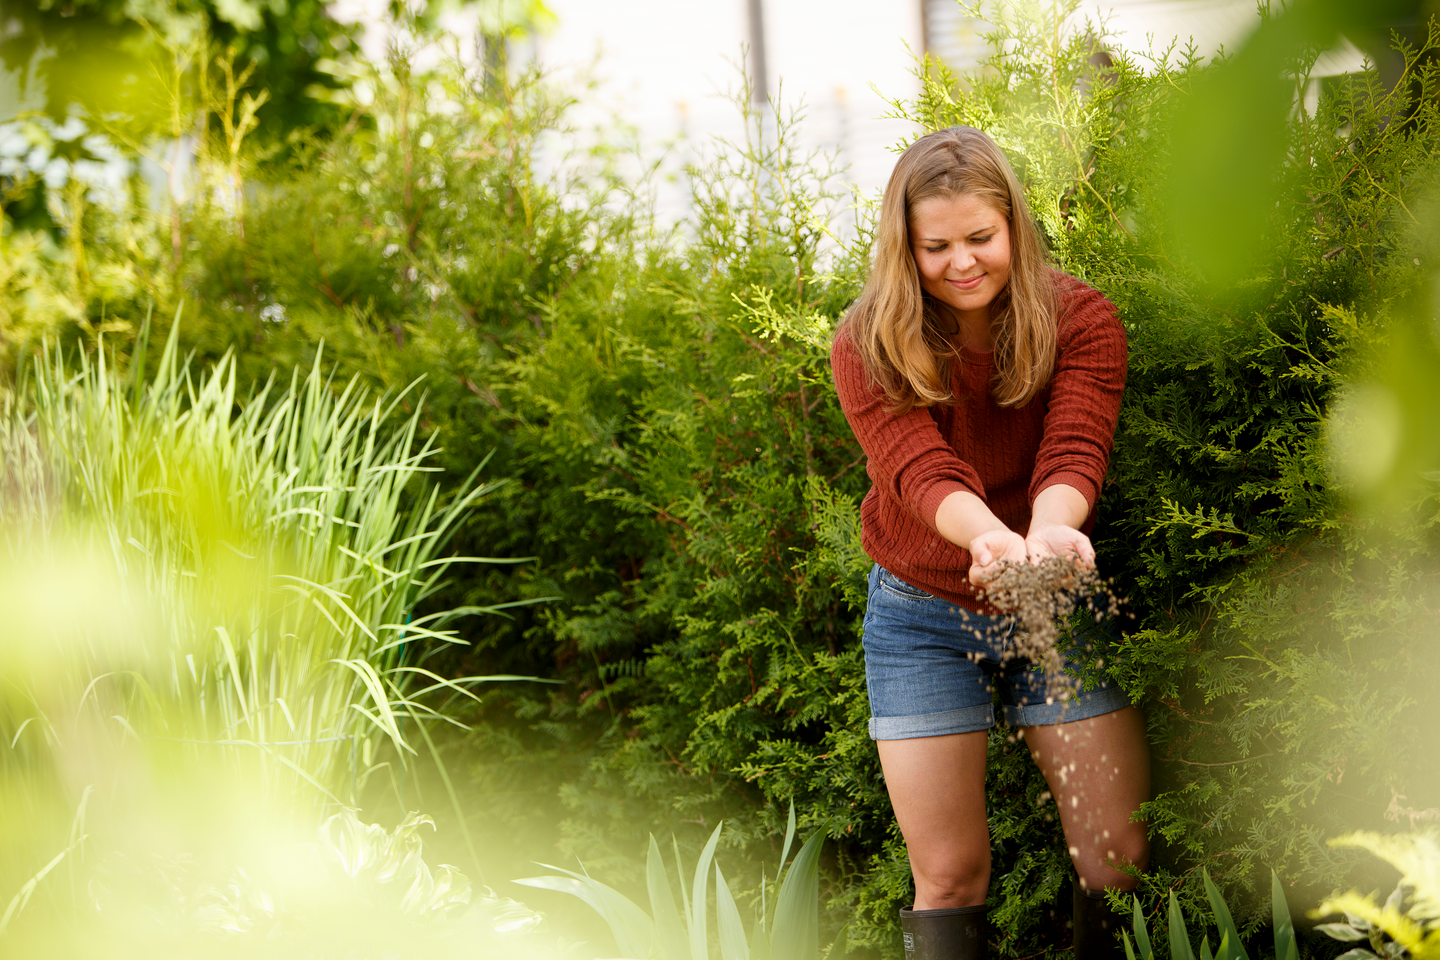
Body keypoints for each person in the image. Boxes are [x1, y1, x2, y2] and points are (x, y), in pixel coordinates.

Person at [829, 126, 1148, 960]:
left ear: (1014, 227)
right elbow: (917, 469)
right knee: (949, 876)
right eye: (936, 246)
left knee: (1118, 852)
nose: (962, 262)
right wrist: (990, 539)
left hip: (1049, 593)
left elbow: (1076, 444)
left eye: (981, 238)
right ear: (906, 245)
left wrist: (1045, 534)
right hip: (922, 617)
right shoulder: (867, 341)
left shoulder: (1080, 318)